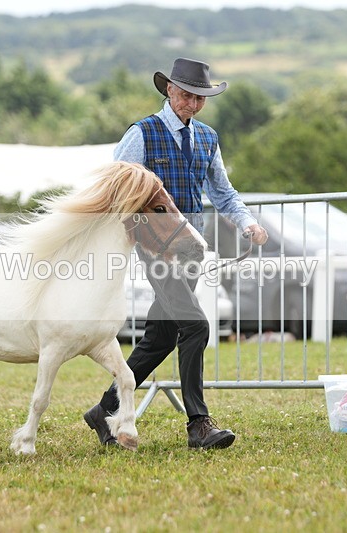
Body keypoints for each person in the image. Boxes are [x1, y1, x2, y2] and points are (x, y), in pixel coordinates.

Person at [84, 57, 269, 450]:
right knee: (197, 325)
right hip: (157, 251)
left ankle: (104, 409)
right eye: (187, 95)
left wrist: (247, 223)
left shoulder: (207, 137)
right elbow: (116, 188)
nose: (193, 104)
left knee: (160, 338)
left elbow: (223, 192)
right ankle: (199, 424)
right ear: (169, 90)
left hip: (192, 251)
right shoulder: (142, 134)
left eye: (200, 98)